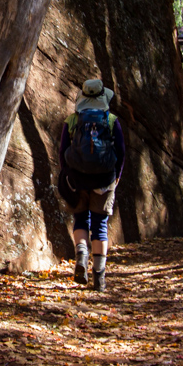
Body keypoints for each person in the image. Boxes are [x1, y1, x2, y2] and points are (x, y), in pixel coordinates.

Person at [58, 79, 125, 291]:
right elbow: (121, 152)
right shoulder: (112, 120)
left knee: (80, 219)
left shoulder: (71, 120)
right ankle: (99, 278)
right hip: (104, 181)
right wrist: (117, 177)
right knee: (100, 226)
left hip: (78, 180)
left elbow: (62, 152)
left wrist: (69, 176)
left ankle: (81, 256)